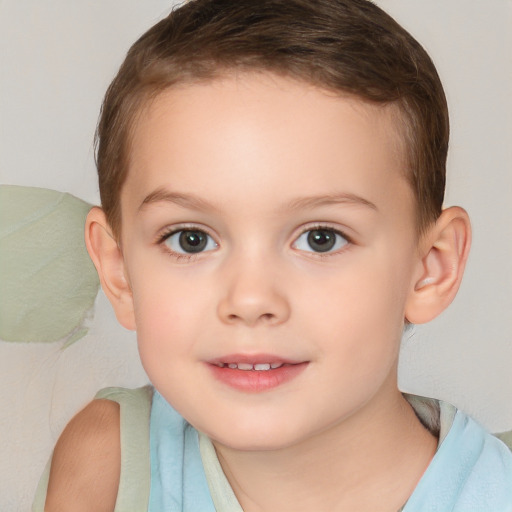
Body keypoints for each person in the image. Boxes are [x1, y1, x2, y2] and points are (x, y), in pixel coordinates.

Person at [35, 0, 512, 510]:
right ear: (119, 271)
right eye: (190, 239)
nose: (250, 299)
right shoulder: (110, 463)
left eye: (321, 238)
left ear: (430, 268)